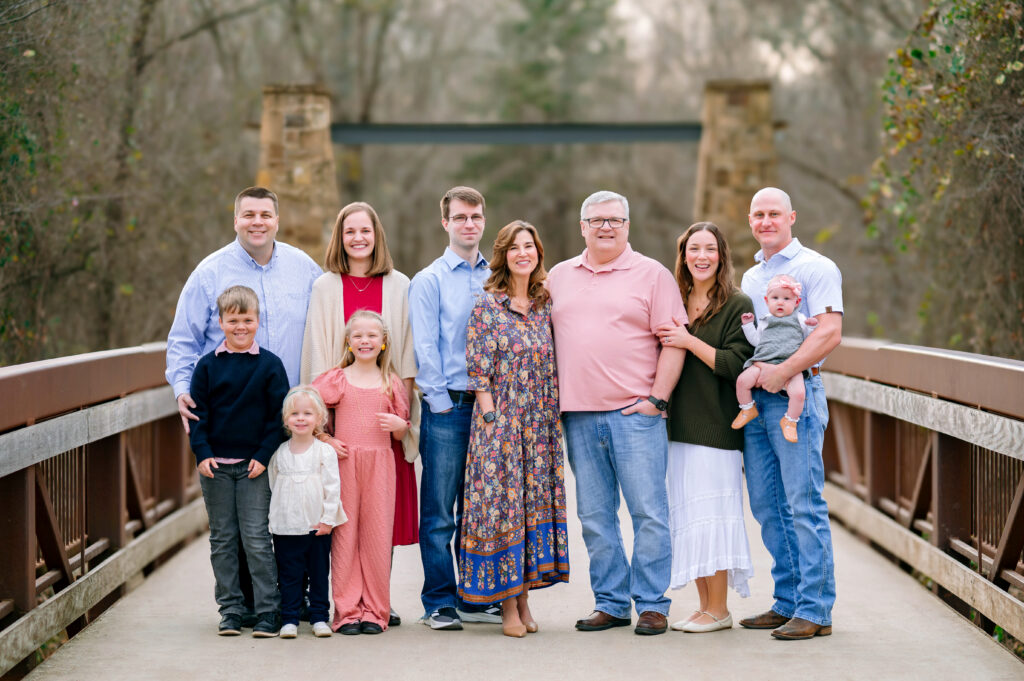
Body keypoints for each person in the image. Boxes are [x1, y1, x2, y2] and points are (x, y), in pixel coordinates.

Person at [165, 186, 321, 624]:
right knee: (239, 526)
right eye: (248, 214)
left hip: (293, 420)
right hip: (234, 422)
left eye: (265, 214)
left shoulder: (303, 269)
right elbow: (182, 341)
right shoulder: (210, 272)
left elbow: (327, 327)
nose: (257, 222)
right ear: (236, 220)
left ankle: (298, 601)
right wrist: (183, 390)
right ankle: (244, 607)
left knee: (295, 513)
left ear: (277, 219)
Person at [548, 190, 686, 636]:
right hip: (579, 417)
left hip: (636, 415)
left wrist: (657, 400)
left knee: (648, 512)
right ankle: (610, 602)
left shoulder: (653, 275)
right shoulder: (558, 276)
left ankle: (651, 604)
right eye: (597, 220)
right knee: (595, 516)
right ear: (582, 226)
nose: (606, 227)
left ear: (628, 226)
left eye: (615, 220)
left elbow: (674, 342)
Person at [300, 201, 417, 627]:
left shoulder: (399, 285)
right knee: (344, 521)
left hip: (382, 425)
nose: (358, 238)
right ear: (340, 237)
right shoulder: (325, 287)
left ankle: (376, 602)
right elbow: (317, 357)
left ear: (376, 234)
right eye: (350, 231)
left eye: (365, 230)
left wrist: (403, 422)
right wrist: (320, 429)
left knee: (379, 520)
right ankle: (348, 604)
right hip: (342, 426)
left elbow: (403, 353)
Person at [736, 187, 842, 640]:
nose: (766, 221)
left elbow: (830, 333)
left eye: (774, 213)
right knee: (767, 503)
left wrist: (783, 373)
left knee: (803, 502)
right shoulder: (750, 279)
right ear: (750, 220)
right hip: (758, 403)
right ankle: (788, 601)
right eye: (758, 214)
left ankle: (815, 609)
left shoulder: (816, 268)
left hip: (796, 396)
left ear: (791, 217)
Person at [459, 221, 570, 638]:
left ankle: (525, 597)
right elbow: (479, 373)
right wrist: (492, 421)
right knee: (504, 511)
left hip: (539, 426)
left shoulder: (545, 304)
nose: (524, 253)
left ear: (538, 253)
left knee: (530, 508)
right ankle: (508, 603)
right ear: (503, 255)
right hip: (500, 423)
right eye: (515, 247)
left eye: (530, 246)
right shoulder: (488, 305)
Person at [655, 222, 755, 633]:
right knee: (690, 518)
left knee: (713, 514)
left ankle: (720, 609)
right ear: (683, 255)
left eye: (709, 249)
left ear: (721, 255)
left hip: (717, 430)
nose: (701, 256)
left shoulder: (737, 303)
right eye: (693, 248)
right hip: (677, 429)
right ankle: (704, 607)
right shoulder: (674, 300)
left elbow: (735, 365)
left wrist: (688, 341)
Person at [409, 186, 498, 630]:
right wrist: (440, 405)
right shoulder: (428, 280)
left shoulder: (497, 277)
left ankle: (475, 597)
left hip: (493, 409)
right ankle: (439, 601)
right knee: (441, 510)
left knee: (481, 508)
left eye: (476, 216)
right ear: (445, 222)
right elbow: (424, 347)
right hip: (448, 407)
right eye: (460, 217)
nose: (469, 224)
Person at [188, 285, 289, 638]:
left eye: (247, 319)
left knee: (257, 539)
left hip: (253, 468)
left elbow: (279, 419)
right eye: (233, 320)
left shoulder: (270, 365)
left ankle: (267, 611)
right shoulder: (207, 367)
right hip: (215, 467)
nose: (240, 326)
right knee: (223, 540)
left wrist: (263, 456)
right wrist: (201, 453)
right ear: (221, 322)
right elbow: (197, 416)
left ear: (257, 321)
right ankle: (231, 609)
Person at [312, 311, 410, 635]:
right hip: (344, 465)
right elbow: (309, 412)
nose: (365, 341)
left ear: (383, 343)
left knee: (377, 537)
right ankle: (347, 610)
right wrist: (327, 438)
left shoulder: (390, 382)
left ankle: (375, 611)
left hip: (381, 466)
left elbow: (399, 432)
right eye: (358, 336)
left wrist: (401, 425)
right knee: (345, 536)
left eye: (372, 336)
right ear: (348, 342)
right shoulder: (336, 378)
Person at [268, 386, 347, 639]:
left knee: (318, 573)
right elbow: (275, 484)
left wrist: (327, 519)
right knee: (289, 574)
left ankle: (319, 617)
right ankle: (289, 618)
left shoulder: (324, 451)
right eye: (294, 414)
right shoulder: (279, 453)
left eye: (307, 414)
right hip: (286, 526)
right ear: (286, 419)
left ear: (319, 419)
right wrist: (280, 514)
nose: (300, 418)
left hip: (317, 526)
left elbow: (333, 487)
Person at [731, 274, 818, 443]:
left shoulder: (799, 319)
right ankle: (747, 408)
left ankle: (790, 421)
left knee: (799, 394)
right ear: (767, 300)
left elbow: (807, 339)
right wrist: (748, 326)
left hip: (790, 365)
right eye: (775, 298)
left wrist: (811, 327)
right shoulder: (765, 321)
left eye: (786, 298)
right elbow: (756, 341)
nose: (780, 302)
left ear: (797, 302)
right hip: (764, 361)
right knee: (742, 381)